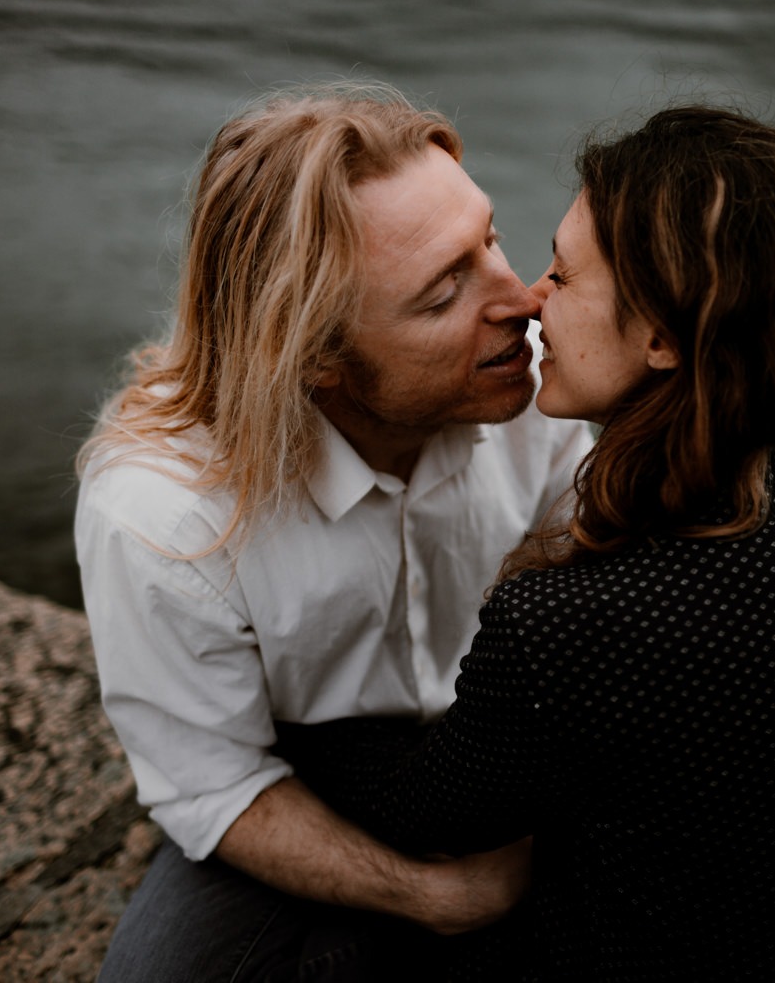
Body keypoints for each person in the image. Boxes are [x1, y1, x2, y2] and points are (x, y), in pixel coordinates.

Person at [289, 105, 775, 981]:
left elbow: (426, 812)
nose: (532, 298)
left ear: (659, 336)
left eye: (565, 276)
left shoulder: (577, 623)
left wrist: (285, 723)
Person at [73, 82, 594, 981]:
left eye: (492, 238)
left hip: (507, 751)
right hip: (306, 776)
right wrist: (431, 897)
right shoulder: (164, 515)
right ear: (313, 357)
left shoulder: (546, 381)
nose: (524, 301)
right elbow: (213, 781)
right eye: (443, 294)